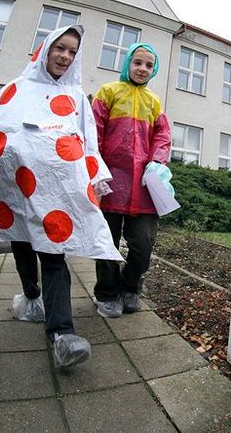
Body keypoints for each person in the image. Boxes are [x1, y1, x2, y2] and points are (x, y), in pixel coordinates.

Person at [0, 25, 122, 370]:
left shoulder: (77, 96)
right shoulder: (17, 89)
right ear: (46, 49)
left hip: (56, 191)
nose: (64, 56)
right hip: (17, 189)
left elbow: (85, 141)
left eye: (72, 52)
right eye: (60, 48)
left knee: (53, 253)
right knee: (22, 245)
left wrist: (93, 177)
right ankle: (32, 298)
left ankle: (62, 334)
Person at [92, 43, 172, 317]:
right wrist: (95, 168)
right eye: (138, 62)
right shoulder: (108, 92)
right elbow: (94, 132)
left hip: (144, 185)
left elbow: (162, 136)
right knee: (106, 243)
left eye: (149, 65)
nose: (143, 69)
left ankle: (130, 286)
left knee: (143, 244)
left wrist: (158, 162)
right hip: (110, 182)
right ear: (128, 63)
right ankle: (106, 292)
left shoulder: (154, 101)